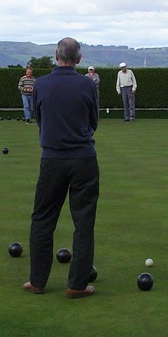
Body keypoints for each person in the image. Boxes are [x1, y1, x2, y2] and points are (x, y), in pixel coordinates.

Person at [23, 37, 100, 299]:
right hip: (84, 159)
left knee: (42, 219)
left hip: (52, 159)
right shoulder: (87, 85)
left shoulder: (41, 85)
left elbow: (39, 119)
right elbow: (94, 121)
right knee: (84, 221)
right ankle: (76, 285)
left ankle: (37, 281)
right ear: (78, 59)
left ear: (57, 55)